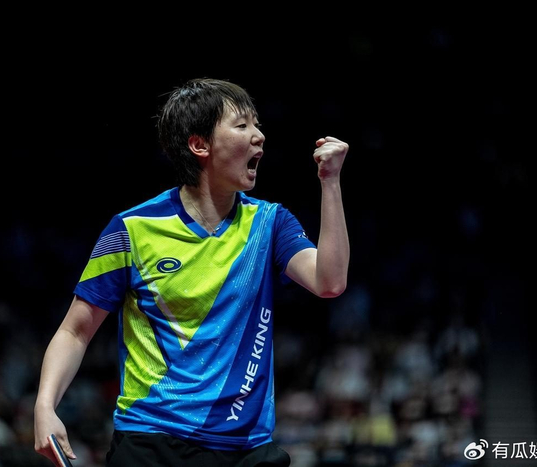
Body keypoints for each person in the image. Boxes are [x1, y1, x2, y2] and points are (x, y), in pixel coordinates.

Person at [34, 78, 350, 466]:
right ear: (200, 145)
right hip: (153, 442)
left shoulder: (269, 223)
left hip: (245, 447)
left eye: (258, 124)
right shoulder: (132, 230)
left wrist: (330, 182)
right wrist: (45, 406)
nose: (259, 136)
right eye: (242, 125)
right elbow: (75, 331)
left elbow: (329, 282)